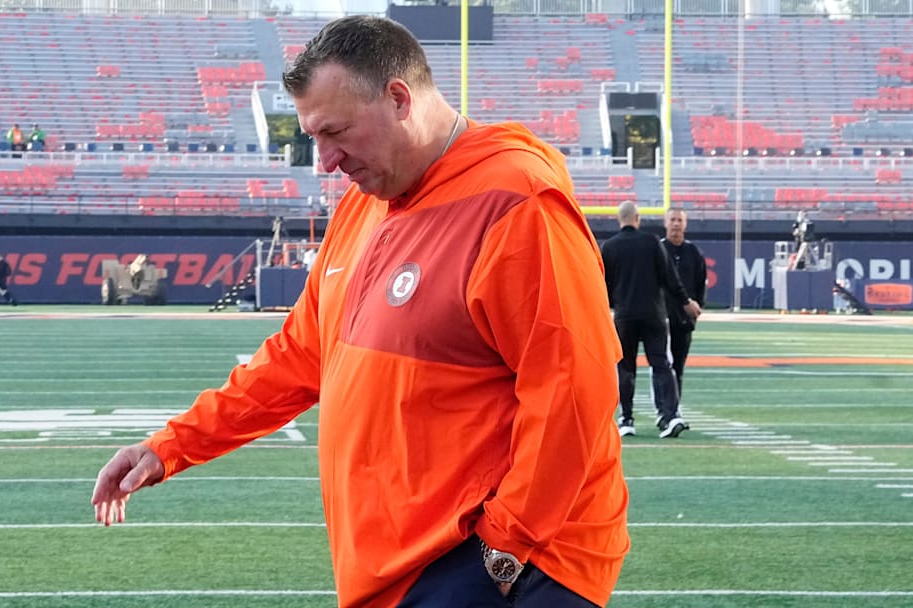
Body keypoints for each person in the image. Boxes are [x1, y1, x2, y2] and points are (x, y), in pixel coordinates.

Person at [92, 15, 628, 608]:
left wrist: (506, 547)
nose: (324, 161)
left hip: (494, 566)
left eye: (336, 132)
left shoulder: (514, 201)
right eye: (312, 137)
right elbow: (297, 357)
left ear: (399, 98)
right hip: (402, 566)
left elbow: (574, 388)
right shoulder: (366, 204)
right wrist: (170, 447)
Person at [601, 200, 701, 439]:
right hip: (654, 313)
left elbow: (603, 284)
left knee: (626, 367)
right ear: (638, 219)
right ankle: (671, 414)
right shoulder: (652, 242)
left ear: (619, 219)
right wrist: (686, 301)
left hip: (625, 315)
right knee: (661, 365)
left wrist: (609, 307)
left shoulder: (610, 246)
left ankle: (626, 418)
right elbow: (670, 278)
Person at [661, 208, 707, 400]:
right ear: (665, 223)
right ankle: (663, 408)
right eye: (672, 220)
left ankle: (675, 407)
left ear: (685, 224)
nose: (676, 224)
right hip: (661, 317)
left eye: (680, 220)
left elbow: (700, 282)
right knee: (662, 365)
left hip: (683, 319)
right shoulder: (658, 249)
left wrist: (697, 307)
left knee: (678, 365)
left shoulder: (693, 252)